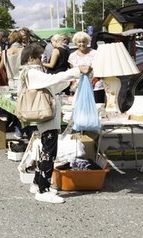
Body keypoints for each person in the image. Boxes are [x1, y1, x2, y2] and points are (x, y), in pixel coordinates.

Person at [19, 43, 88, 203]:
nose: (43, 59)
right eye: (40, 56)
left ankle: (38, 183)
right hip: (47, 117)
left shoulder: (32, 72)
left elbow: (52, 85)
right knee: (49, 152)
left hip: (47, 117)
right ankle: (43, 189)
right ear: (31, 58)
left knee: (46, 150)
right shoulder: (32, 72)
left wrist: (71, 78)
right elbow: (53, 79)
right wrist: (76, 71)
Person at [68, 31, 105, 103]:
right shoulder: (72, 56)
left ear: (87, 42)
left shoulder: (95, 53)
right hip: (80, 87)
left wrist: (93, 80)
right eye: (79, 42)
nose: (81, 44)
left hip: (95, 86)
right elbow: (72, 71)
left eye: (84, 42)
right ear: (75, 43)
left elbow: (100, 68)